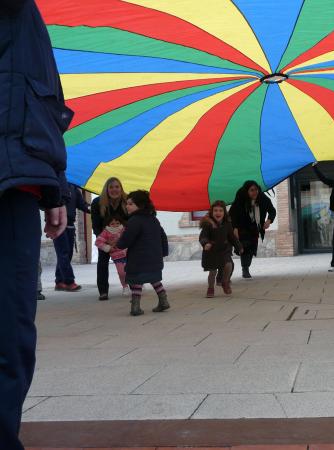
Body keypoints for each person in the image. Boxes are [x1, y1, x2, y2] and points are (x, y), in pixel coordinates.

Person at [0, 1, 73, 448]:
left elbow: (46, 98)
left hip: (17, 180)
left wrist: (54, 185)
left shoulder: (26, 16)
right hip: (19, 176)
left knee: (11, 327)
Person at [117, 190, 169, 316]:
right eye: (127, 203)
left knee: (135, 281)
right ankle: (163, 301)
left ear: (140, 206)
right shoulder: (153, 220)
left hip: (138, 259)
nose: (127, 206)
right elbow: (163, 236)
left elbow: (128, 237)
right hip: (154, 258)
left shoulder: (134, 221)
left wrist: (120, 244)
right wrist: (163, 252)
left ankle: (135, 307)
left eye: (130, 204)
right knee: (155, 279)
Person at [229, 180, 276, 279]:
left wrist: (269, 221)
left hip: (255, 228)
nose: (255, 192)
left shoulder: (262, 198)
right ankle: (245, 269)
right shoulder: (240, 200)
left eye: (256, 190)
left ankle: (246, 267)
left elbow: (272, 210)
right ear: (247, 191)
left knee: (251, 249)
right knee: (245, 247)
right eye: (252, 190)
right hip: (242, 228)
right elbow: (232, 215)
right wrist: (235, 228)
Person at [90, 177, 128, 300]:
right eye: (111, 187)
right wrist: (106, 241)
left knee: (131, 261)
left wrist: (122, 240)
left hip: (124, 238)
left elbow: (131, 223)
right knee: (102, 261)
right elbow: (95, 225)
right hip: (105, 238)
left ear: (121, 188)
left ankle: (132, 285)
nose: (114, 190)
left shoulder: (127, 201)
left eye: (117, 187)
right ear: (106, 189)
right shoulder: (97, 203)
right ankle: (103, 291)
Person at [200, 200, 243, 298]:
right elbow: (203, 236)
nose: (218, 213)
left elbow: (232, 237)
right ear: (212, 212)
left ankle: (225, 281)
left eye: (220, 210)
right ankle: (210, 288)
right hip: (212, 251)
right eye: (215, 210)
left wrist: (239, 246)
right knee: (213, 272)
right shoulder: (208, 224)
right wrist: (205, 243)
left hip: (224, 250)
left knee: (228, 265)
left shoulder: (227, 224)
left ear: (224, 212)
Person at [53, 183, 89, 291]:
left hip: (70, 225)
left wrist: (96, 208)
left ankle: (59, 281)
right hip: (57, 225)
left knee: (67, 255)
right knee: (63, 253)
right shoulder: (55, 185)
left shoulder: (74, 188)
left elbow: (82, 205)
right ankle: (69, 281)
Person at [95, 216, 128, 296]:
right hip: (117, 256)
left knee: (131, 271)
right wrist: (108, 248)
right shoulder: (106, 232)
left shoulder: (123, 229)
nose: (115, 225)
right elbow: (98, 241)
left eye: (117, 223)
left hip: (127, 254)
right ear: (108, 224)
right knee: (121, 273)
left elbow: (130, 238)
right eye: (112, 223)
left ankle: (135, 285)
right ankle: (125, 286)